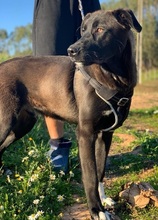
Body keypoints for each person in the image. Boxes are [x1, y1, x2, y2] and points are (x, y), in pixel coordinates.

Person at [32, 0, 101, 173]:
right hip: (52, 5)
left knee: (96, 56)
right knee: (48, 68)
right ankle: (58, 148)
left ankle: (94, 146)